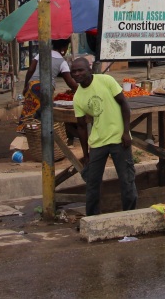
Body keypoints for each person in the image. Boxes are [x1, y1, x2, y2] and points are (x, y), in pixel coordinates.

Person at [71, 58, 137, 216]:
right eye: (74, 72)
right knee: (92, 183)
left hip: (119, 139)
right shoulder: (78, 98)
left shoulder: (106, 80)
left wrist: (126, 132)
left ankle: (130, 215)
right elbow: (81, 127)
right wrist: (86, 154)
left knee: (127, 180)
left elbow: (124, 105)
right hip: (98, 142)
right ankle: (92, 218)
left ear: (89, 69)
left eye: (81, 70)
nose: (77, 74)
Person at [19, 39, 77, 139]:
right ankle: (42, 136)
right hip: (47, 88)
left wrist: (26, 86)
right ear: (64, 48)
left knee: (29, 110)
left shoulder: (41, 54)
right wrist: (80, 88)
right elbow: (70, 82)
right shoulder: (62, 62)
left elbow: (31, 70)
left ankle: (27, 132)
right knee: (44, 113)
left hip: (32, 85)